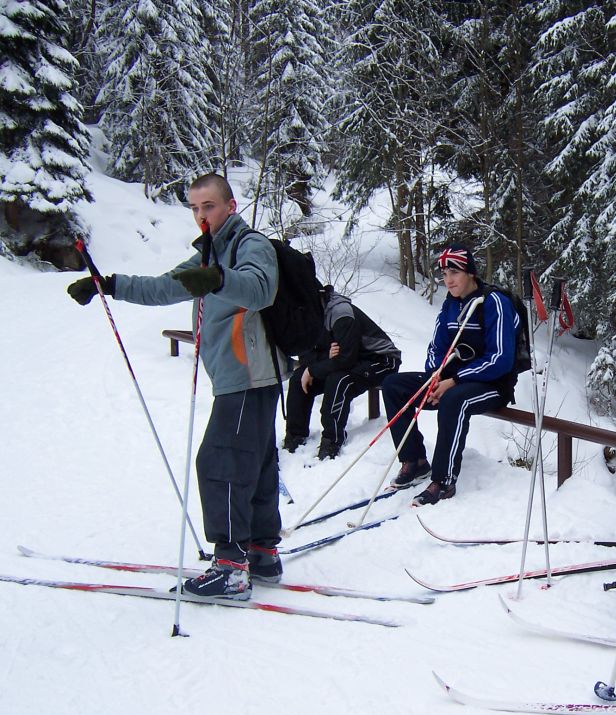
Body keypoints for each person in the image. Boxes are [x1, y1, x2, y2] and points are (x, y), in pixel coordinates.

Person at [66, 174, 288, 599]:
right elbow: (165, 287)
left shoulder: (250, 245)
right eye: (194, 208)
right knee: (255, 463)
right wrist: (108, 285)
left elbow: (260, 290)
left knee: (221, 462)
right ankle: (262, 553)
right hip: (242, 375)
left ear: (230, 206)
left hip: (248, 372)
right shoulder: (210, 253)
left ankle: (231, 567)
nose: (201, 215)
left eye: (209, 206)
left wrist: (219, 280)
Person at [381, 243, 519, 507]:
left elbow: (501, 358)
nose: (448, 280)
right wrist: (435, 377)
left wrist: (454, 381)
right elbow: (437, 346)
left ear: (470, 272)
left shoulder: (494, 303)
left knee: (454, 399)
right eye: (444, 274)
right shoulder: (451, 305)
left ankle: (443, 481)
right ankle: (414, 461)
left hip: (492, 383)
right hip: (450, 379)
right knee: (393, 385)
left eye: (454, 272)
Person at [282, 286, 401, 460]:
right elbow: (306, 354)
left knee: (339, 380)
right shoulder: (307, 316)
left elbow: (345, 358)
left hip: (381, 359)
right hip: (351, 358)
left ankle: (332, 440)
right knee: (299, 378)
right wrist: (324, 358)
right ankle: (295, 436)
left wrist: (315, 368)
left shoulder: (340, 313)